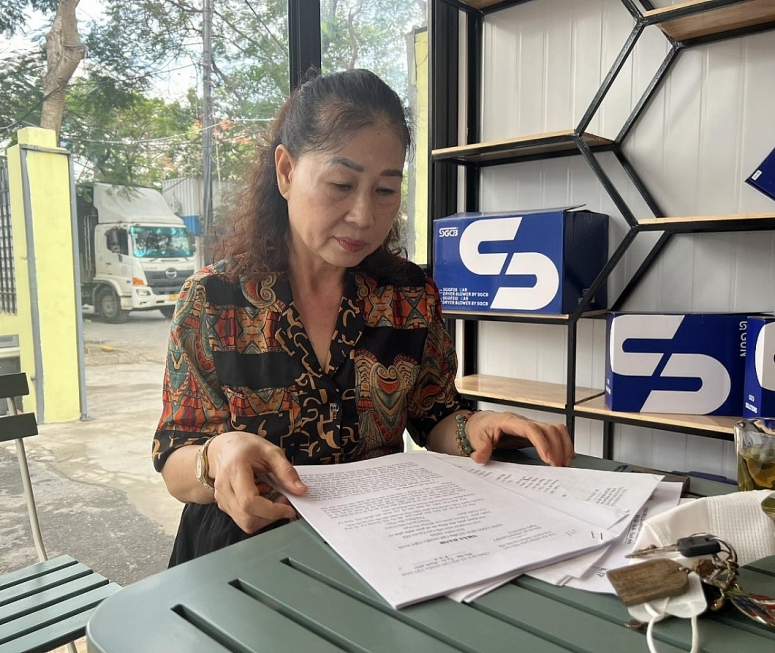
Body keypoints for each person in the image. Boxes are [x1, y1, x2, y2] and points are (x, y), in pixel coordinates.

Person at [152, 68, 574, 565]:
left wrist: (480, 426)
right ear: (286, 172)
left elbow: (435, 417)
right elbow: (175, 457)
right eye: (341, 184)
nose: (364, 216)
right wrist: (215, 456)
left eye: (385, 190)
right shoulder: (213, 300)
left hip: (381, 545)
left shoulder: (408, 294)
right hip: (245, 550)